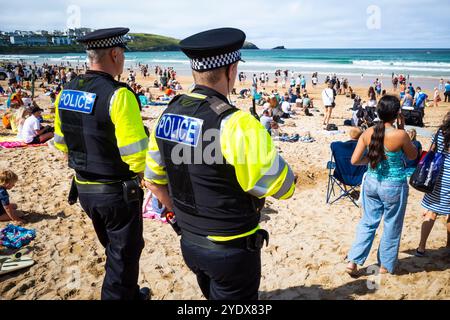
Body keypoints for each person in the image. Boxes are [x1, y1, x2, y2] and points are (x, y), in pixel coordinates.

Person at [143, 28, 296, 300]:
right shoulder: (237, 123)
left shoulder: (168, 113)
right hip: (231, 248)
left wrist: (178, 213)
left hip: (190, 241)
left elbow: (153, 180)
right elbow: (282, 187)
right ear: (231, 69)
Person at [53, 28, 150, 300]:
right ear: (115, 54)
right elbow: (135, 153)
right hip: (116, 191)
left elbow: (61, 142)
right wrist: (152, 180)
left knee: (114, 249)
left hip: (84, 188)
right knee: (125, 253)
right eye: (123, 56)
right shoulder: (119, 95)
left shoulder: (67, 91)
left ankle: (130, 293)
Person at [346, 95, 418, 275]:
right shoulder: (400, 135)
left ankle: (353, 261)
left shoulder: (368, 132)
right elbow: (413, 156)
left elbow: (354, 161)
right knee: (392, 225)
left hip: (371, 182)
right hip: (393, 185)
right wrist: (402, 128)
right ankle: (385, 265)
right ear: (397, 114)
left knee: (368, 223)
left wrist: (371, 160)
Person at [416, 112, 450, 257]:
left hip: (436, 176)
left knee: (431, 211)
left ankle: (421, 247)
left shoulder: (440, 133)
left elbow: (431, 150)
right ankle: (449, 246)